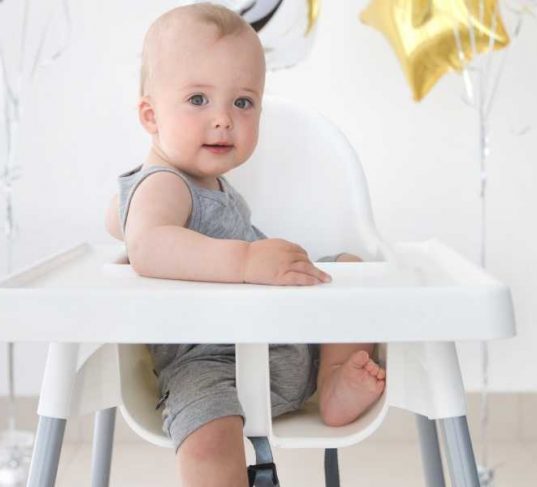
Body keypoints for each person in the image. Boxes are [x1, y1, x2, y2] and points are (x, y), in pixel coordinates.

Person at [105, 5, 385, 486]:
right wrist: (248, 259)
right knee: (209, 446)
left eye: (243, 102)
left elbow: (122, 222)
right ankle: (325, 381)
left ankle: (333, 376)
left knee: (348, 269)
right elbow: (150, 246)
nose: (223, 120)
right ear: (151, 115)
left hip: (279, 342)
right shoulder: (163, 184)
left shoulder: (206, 183)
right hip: (208, 366)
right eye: (197, 99)